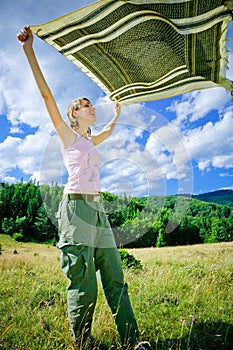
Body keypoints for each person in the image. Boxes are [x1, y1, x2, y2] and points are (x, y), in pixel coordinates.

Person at [17, 26, 151, 350]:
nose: (94, 107)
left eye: (93, 105)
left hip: (98, 209)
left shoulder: (90, 140)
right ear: (75, 112)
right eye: (87, 105)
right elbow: (46, 95)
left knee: (115, 276)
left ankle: (132, 342)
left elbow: (108, 130)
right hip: (75, 209)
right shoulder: (68, 136)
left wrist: (118, 112)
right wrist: (29, 50)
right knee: (84, 284)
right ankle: (83, 344)